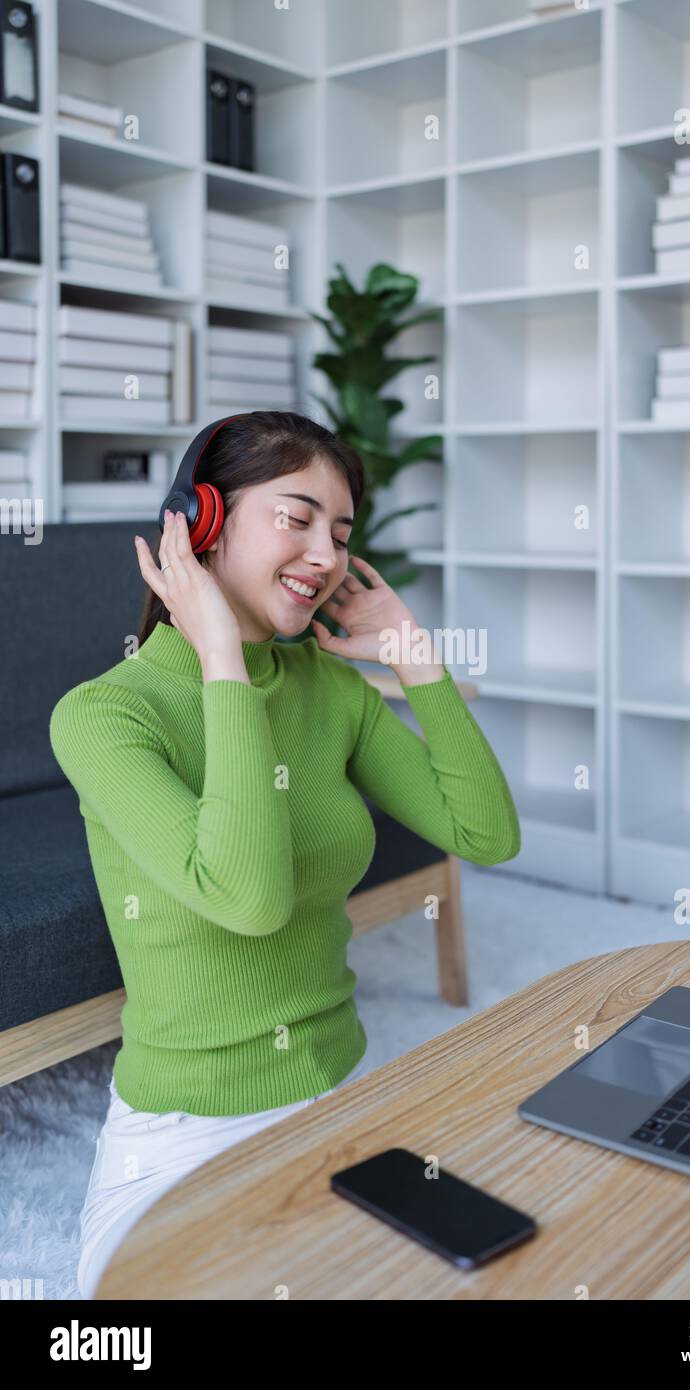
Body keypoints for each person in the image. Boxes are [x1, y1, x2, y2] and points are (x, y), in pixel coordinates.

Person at [49, 410, 521, 1298]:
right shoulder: (105, 716)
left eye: (341, 535)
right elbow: (247, 896)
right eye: (296, 518)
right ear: (202, 523)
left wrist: (416, 657)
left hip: (336, 1102)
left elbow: (486, 835)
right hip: (182, 1135)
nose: (325, 555)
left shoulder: (329, 690)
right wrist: (221, 659)